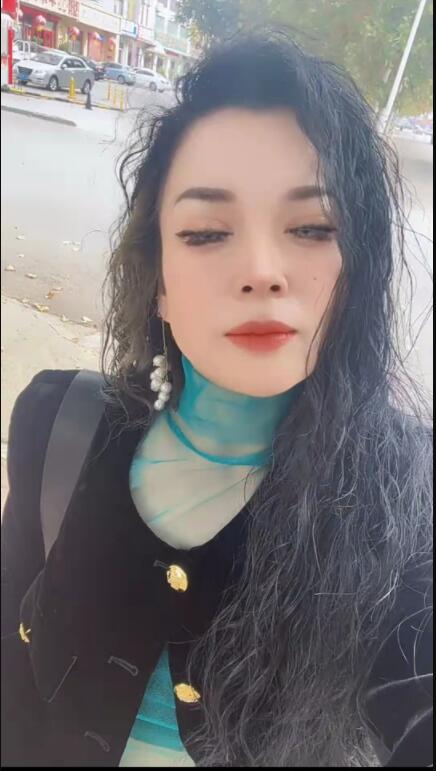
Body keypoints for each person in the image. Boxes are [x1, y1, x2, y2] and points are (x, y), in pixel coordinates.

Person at [1, 30, 433, 768]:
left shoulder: (410, 503)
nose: (262, 270)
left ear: (356, 271)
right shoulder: (57, 425)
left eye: (311, 227)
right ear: (159, 283)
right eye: (206, 232)